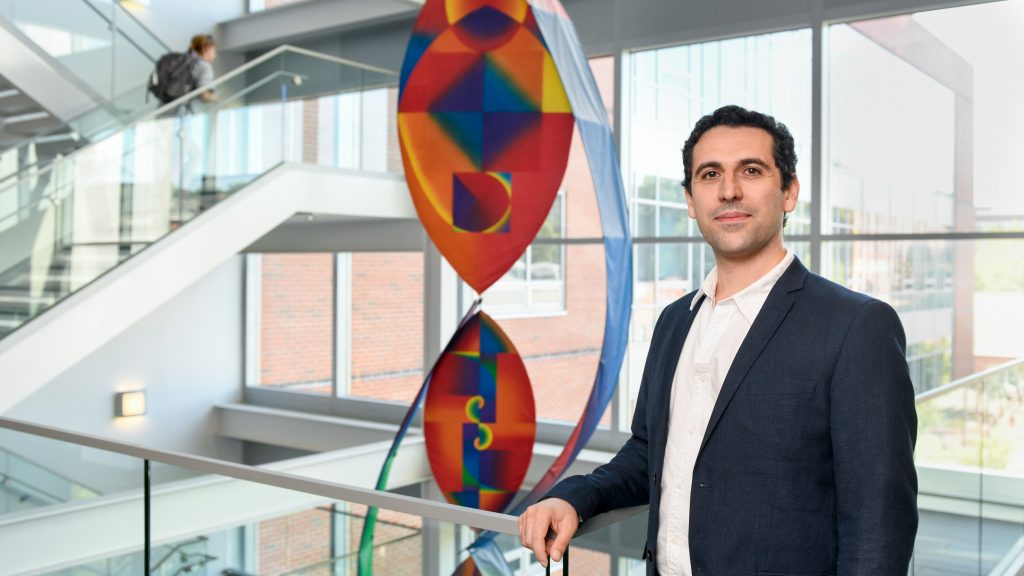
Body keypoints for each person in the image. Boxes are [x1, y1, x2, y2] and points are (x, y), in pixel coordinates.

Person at [518, 105, 918, 576]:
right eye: (710, 175)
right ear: (690, 200)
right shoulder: (673, 322)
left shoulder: (856, 327)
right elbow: (651, 452)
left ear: (788, 191)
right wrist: (575, 495)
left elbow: (878, 525)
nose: (729, 190)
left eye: (751, 170)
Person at [188, 34, 218, 102]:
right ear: (206, 49)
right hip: (186, 110)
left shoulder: (187, 60)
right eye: (213, 50)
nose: (215, 54)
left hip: (166, 107)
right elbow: (204, 95)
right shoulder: (205, 66)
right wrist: (215, 98)